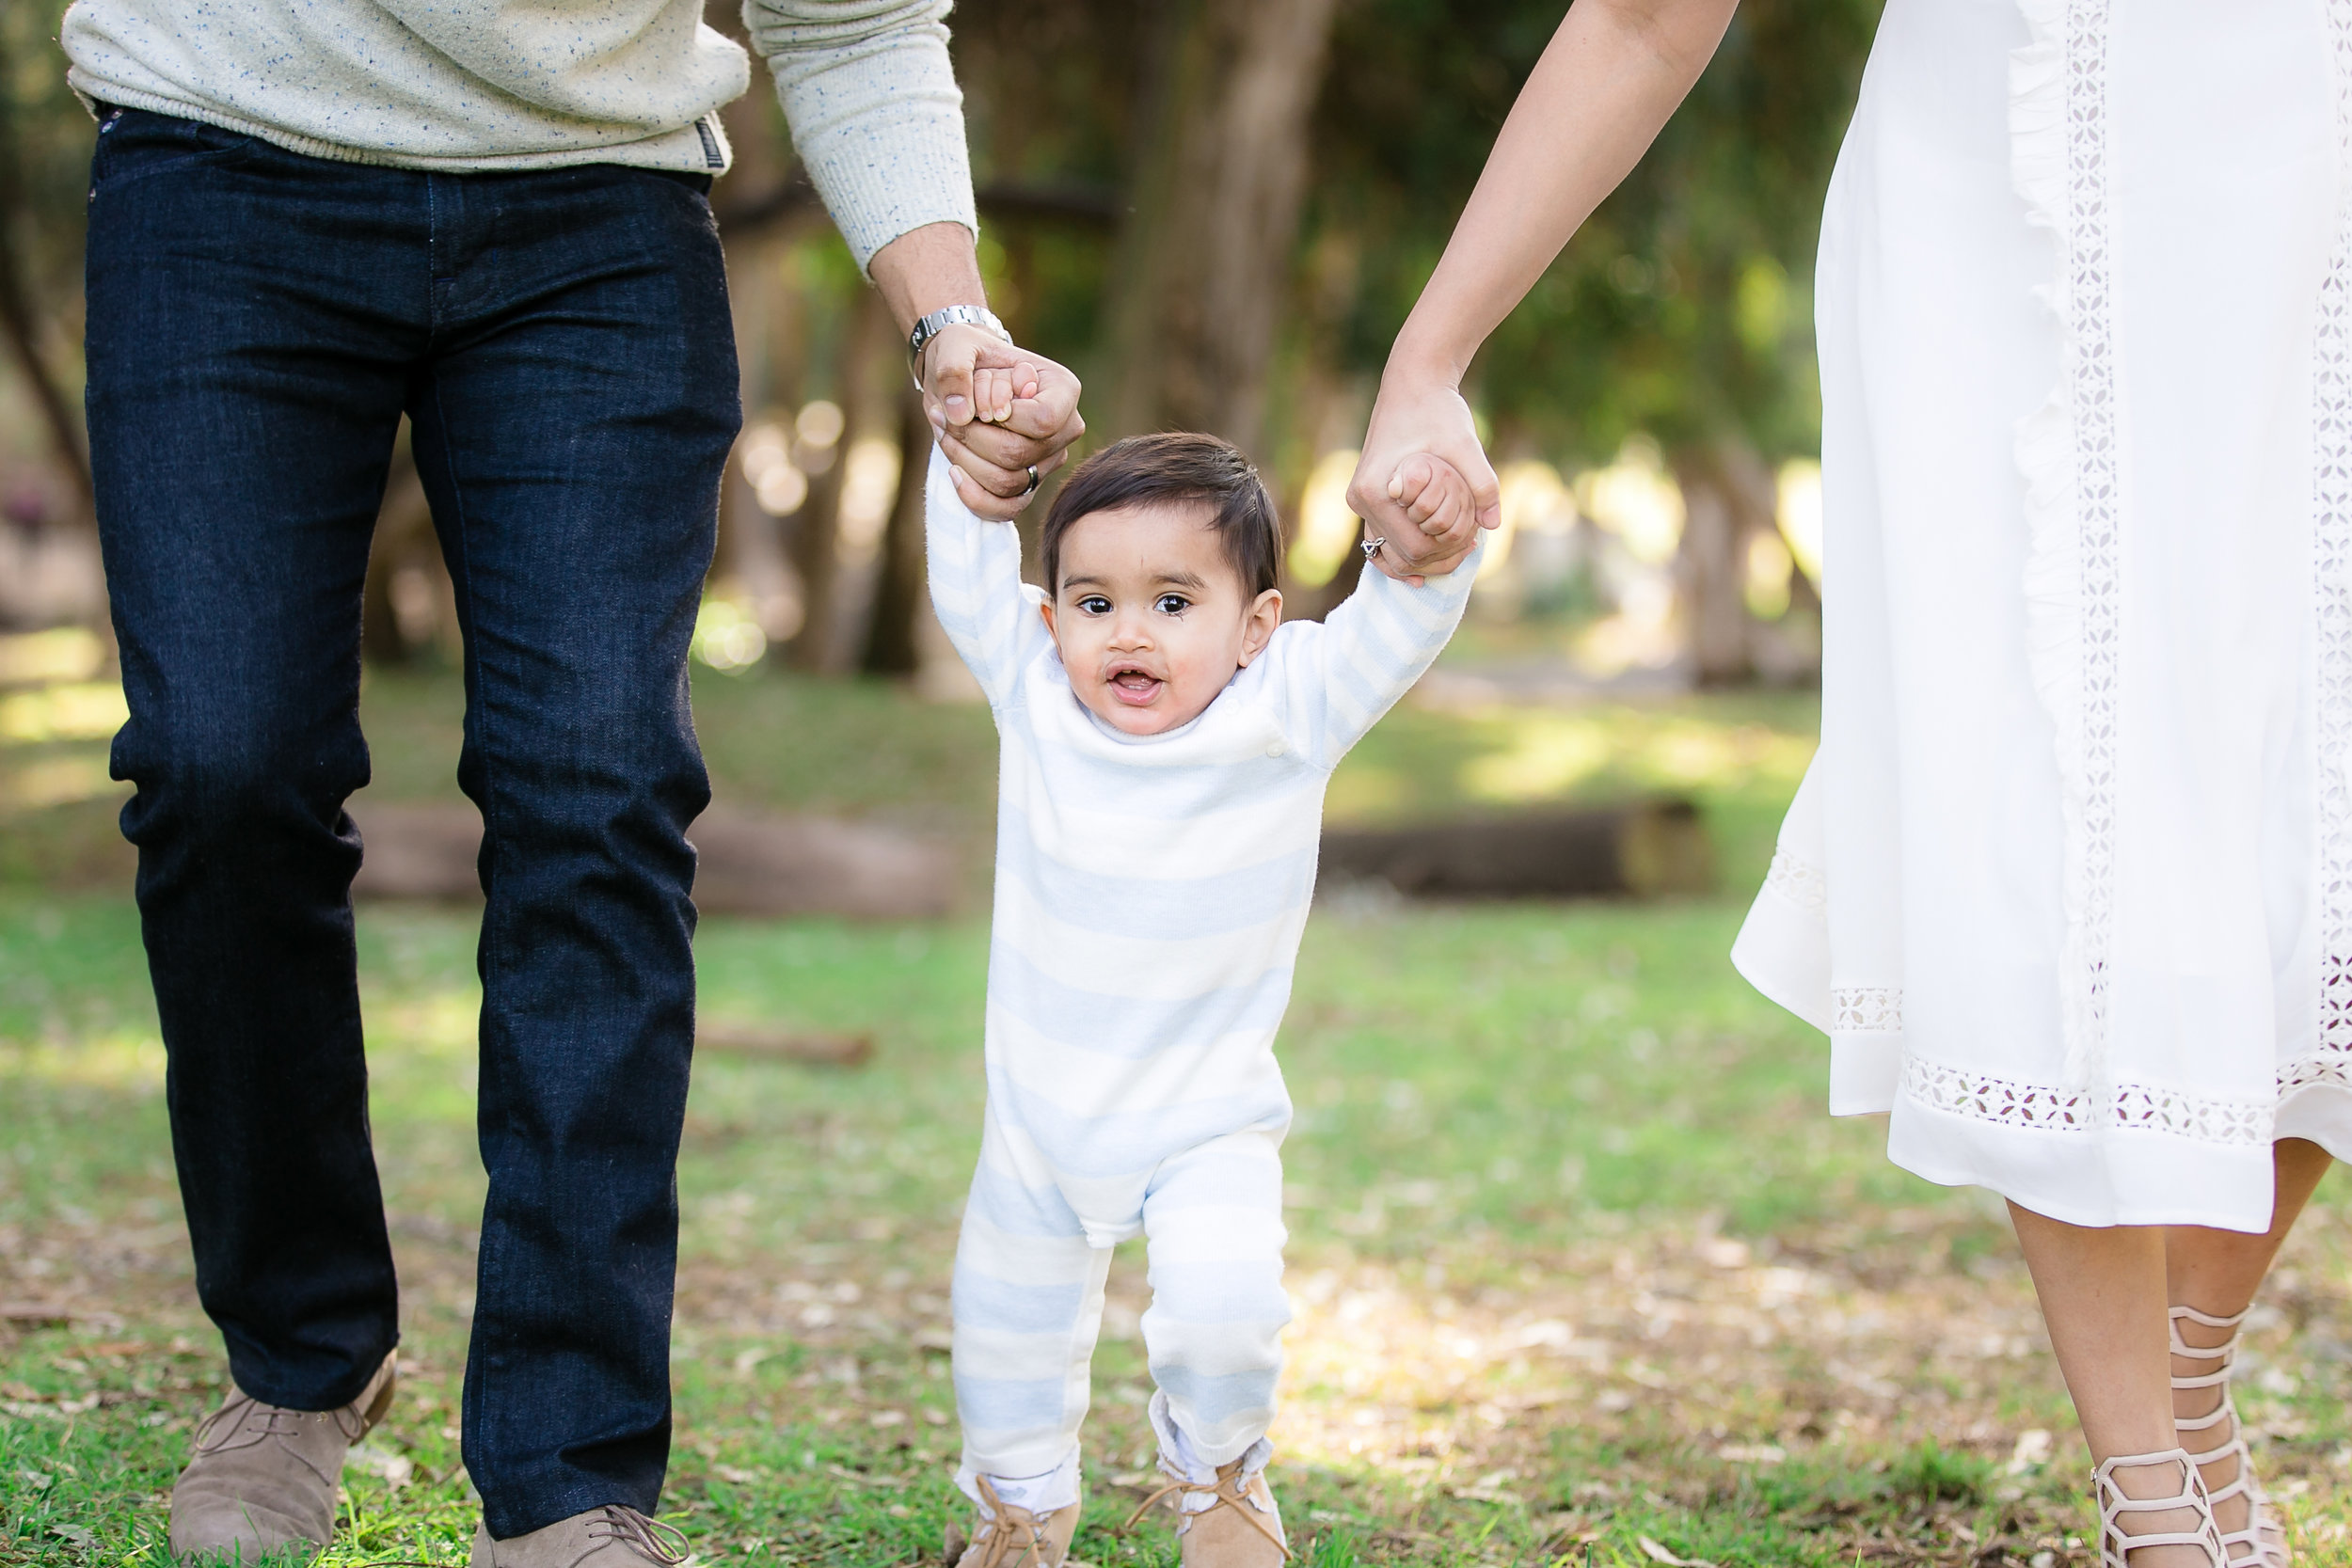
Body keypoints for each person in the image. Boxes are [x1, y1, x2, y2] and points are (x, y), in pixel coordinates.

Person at [59, 0, 1084, 1561]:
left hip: (596, 216)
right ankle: (300, 1362)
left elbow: (855, 20)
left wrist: (955, 329)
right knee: (221, 768)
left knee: (597, 799)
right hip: (221, 171)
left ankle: (566, 1470)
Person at [1349, 0, 2350, 1563]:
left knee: (2317, 829)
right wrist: (1431, 358)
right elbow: (1643, 13)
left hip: (2306, 165)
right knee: (2065, 818)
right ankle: (2153, 1500)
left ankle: (2192, 1368)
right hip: (2018, 196)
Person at [923, 429, 1477, 1568]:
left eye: (1173, 601)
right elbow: (966, 557)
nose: (1128, 631)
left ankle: (1218, 1477)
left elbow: (1399, 619)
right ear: (1050, 616)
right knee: (1003, 1344)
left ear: (1255, 626)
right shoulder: (1033, 695)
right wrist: (977, 438)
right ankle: (1022, 1515)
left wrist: (1426, 544)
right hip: (1036, 1128)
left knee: (1227, 1316)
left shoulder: (1286, 710)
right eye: (1093, 600)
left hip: (1206, 1120)